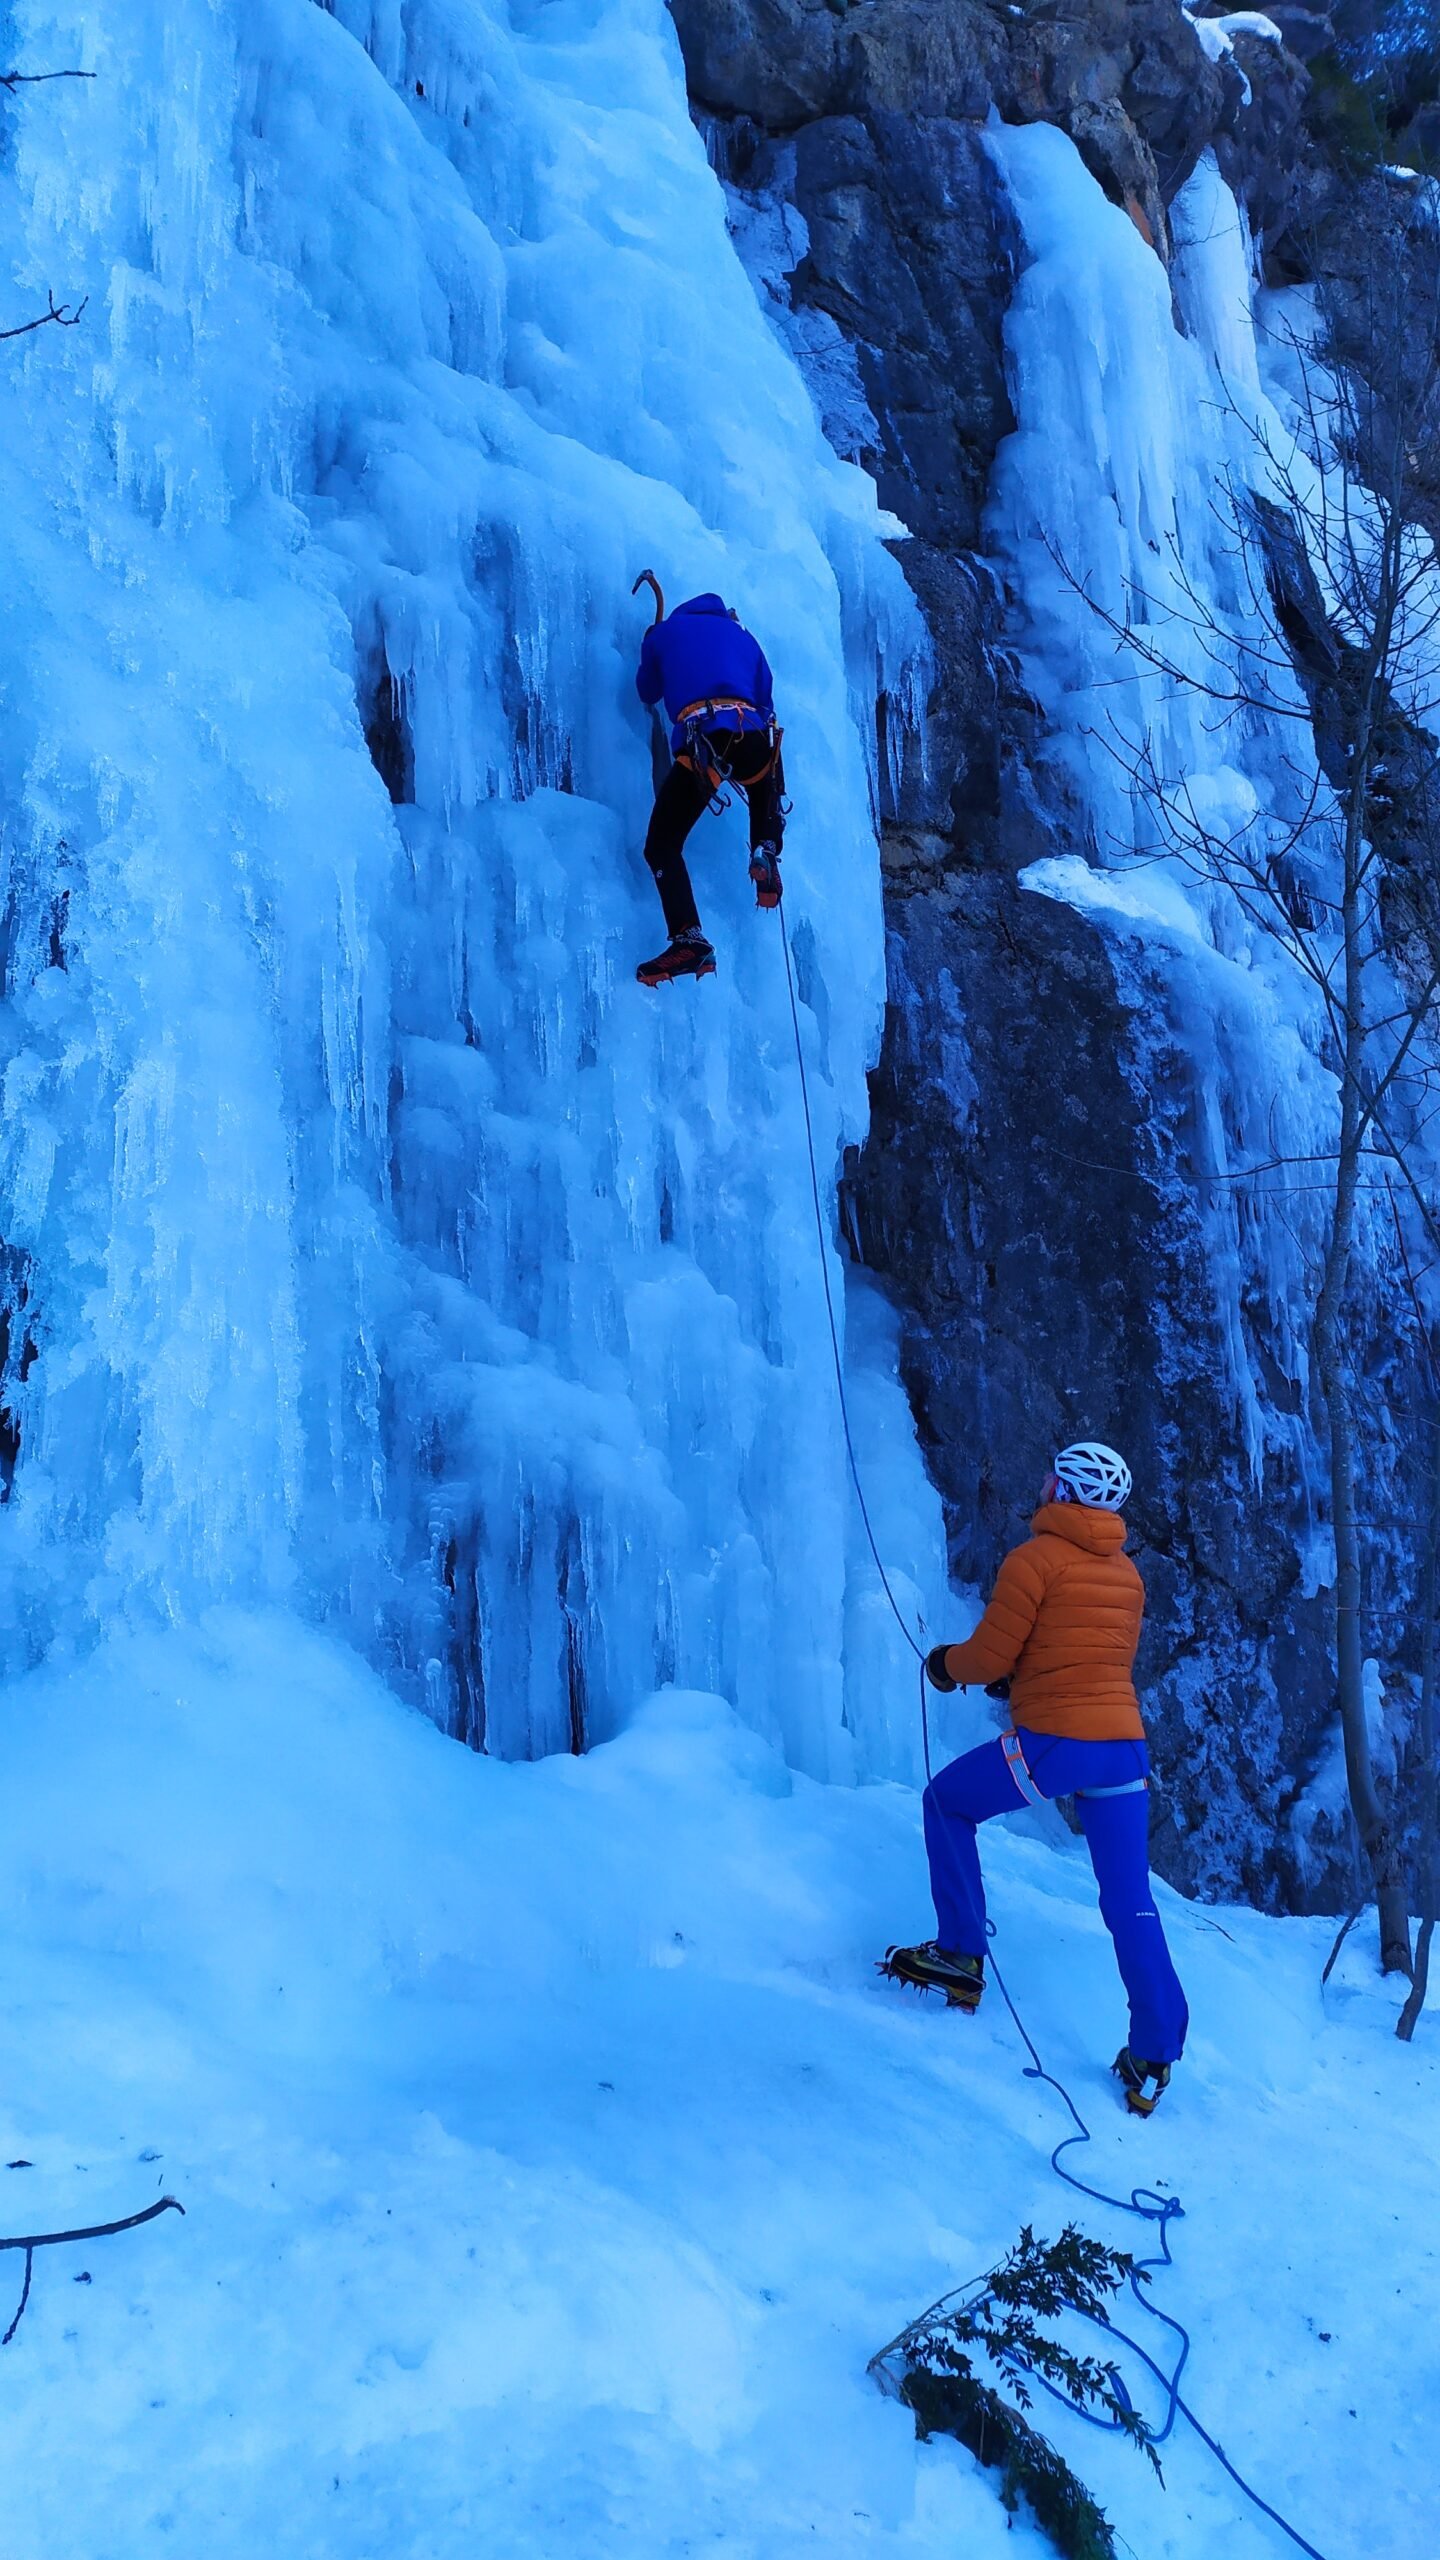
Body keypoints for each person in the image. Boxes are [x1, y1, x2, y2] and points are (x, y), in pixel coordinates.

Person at [881, 1441, 1188, 2117]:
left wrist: (945, 1665)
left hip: (1058, 1743)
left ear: (1066, 1491)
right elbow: (1081, 1654)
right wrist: (1016, 1673)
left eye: (1054, 1476)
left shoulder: (1035, 1561)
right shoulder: (1127, 1578)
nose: (1045, 1483)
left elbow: (991, 1650)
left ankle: (960, 1953)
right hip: (1124, 1750)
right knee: (1128, 1896)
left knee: (946, 1804)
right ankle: (1154, 2049)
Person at [633, 592, 786, 987]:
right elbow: (766, 697)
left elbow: (647, 691)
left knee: (662, 844)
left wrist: (651, 642)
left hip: (705, 737)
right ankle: (765, 847)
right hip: (754, 732)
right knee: (761, 778)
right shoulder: (743, 636)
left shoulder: (664, 633)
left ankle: (689, 938)